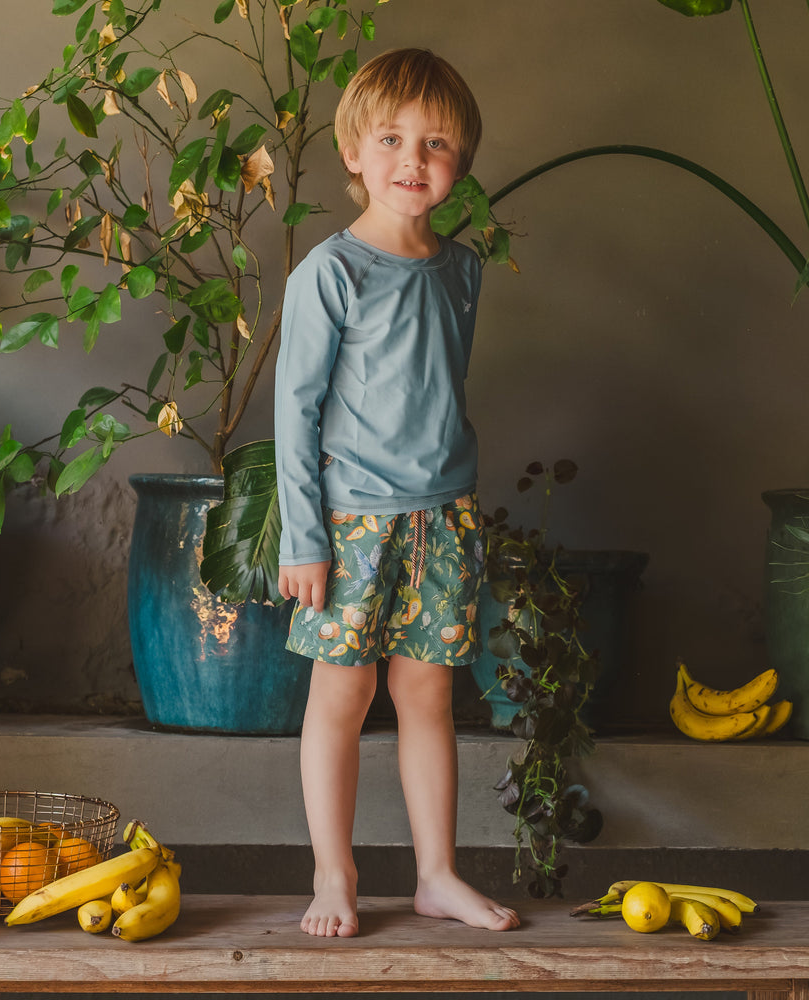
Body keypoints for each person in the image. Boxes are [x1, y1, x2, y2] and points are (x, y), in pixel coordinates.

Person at [273, 48, 521, 938]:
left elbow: (434, 393)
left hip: (442, 519)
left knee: (428, 699)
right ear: (352, 153)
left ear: (460, 163)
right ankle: (333, 876)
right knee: (341, 696)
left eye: (437, 143)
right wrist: (302, 536)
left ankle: (437, 875)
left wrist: (453, 504)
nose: (413, 159)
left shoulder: (461, 270)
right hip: (349, 527)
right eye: (391, 139)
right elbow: (294, 414)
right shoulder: (330, 273)